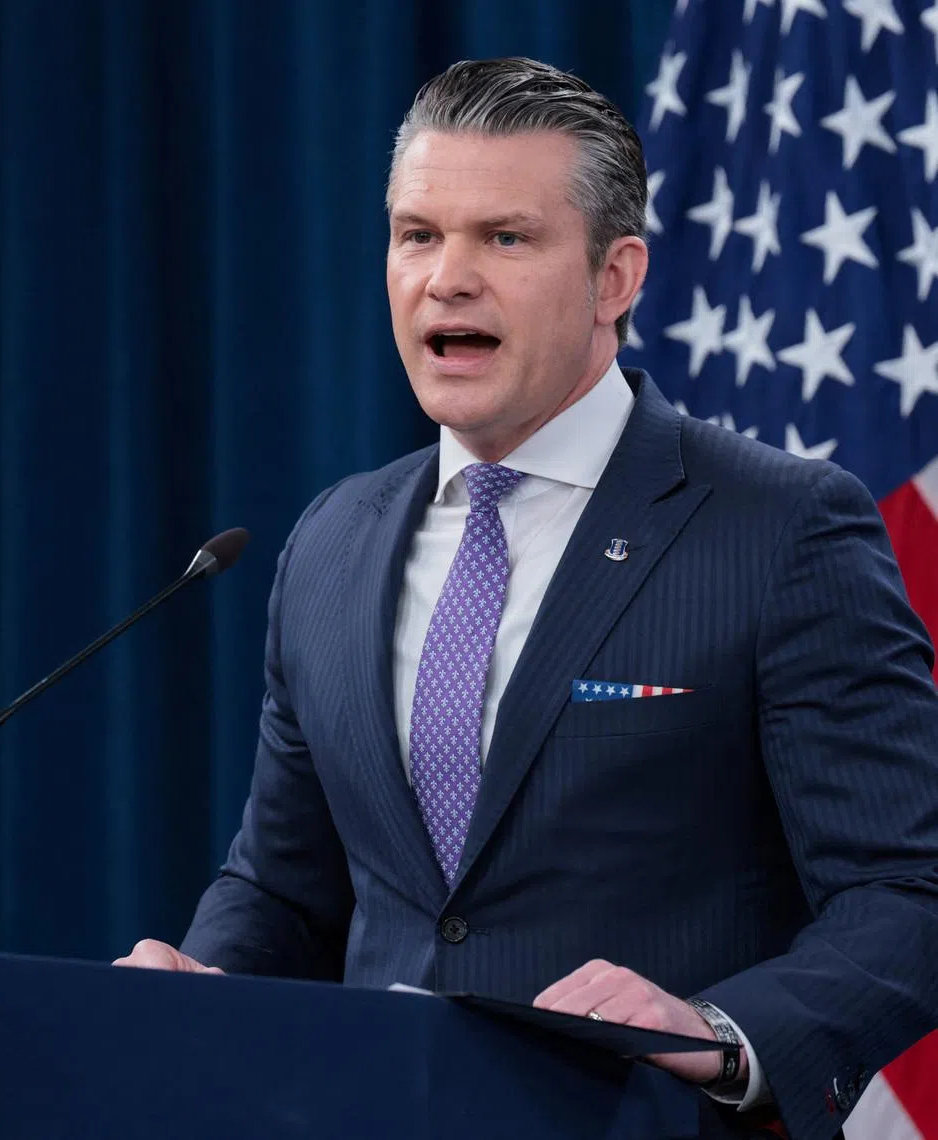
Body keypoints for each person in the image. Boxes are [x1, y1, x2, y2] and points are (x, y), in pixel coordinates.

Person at [115, 58, 938, 1140]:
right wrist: (202, 974)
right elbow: (287, 892)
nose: (446, 279)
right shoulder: (332, 542)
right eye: (418, 235)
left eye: (505, 238)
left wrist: (718, 1028)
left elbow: (907, 890)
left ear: (616, 278)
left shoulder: (780, 529)